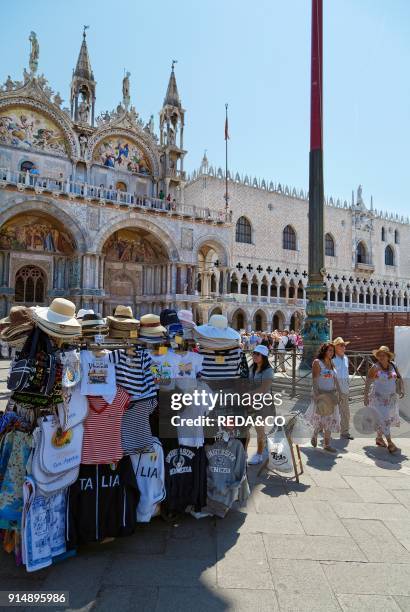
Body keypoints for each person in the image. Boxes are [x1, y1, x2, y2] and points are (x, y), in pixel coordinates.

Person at [364, 346, 404, 453]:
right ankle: (390, 443)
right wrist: (365, 396)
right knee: (385, 419)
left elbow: (399, 377)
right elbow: (368, 381)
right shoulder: (375, 367)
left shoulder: (393, 365)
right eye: (379, 355)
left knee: (384, 419)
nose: (381, 357)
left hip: (390, 398)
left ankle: (379, 438)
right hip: (378, 399)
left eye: (383, 355)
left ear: (388, 357)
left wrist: (402, 389)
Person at [306, 342, 341, 453]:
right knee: (320, 417)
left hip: (331, 394)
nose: (331, 353)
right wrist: (316, 395)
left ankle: (327, 444)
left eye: (332, 351)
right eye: (329, 350)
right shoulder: (317, 362)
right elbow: (315, 380)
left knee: (329, 419)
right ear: (324, 351)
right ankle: (314, 435)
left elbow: (335, 379)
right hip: (321, 394)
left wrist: (340, 393)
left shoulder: (332, 363)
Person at [247, 344, 274, 465]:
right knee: (245, 428)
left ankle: (259, 454)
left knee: (259, 429)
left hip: (262, 402)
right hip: (250, 401)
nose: (254, 356)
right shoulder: (252, 367)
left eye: (258, 354)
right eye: (254, 353)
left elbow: (264, 388)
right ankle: (244, 452)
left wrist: (248, 393)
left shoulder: (268, 370)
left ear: (264, 357)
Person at [332, 337, 353, 440]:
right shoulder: (331, 358)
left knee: (345, 411)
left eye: (344, 345)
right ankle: (320, 428)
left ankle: (345, 432)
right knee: (328, 411)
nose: (344, 347)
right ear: (335, 347)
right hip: (333, 389)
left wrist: (348, 386)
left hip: (344, 389)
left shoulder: (345, 358)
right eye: (341, 345)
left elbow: (347, 373)